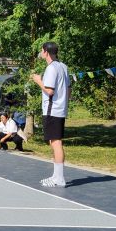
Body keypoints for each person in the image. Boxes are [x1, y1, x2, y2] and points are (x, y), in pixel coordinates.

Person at [31, 42, 71, 188]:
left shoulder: (51, 68)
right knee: (53, 142)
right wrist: (64, 104)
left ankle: (59, 178)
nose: (41, 53)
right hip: (58, 110)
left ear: (46, 52)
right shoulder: (64, 67)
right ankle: (56, 176)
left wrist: (38, 81)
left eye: (42, 50)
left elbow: (49, 91)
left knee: (56, 142)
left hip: (52, 110)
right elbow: (69, 90)